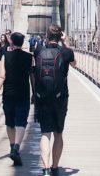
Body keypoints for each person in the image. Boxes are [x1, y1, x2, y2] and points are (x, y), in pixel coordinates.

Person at [31, 24, 75, 176]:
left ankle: (45, 169)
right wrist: (66, 43)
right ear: (61, 36)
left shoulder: (38, 51)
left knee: (45, 133)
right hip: (60, 98)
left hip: (42, 97)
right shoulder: (66, 53)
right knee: (58, 133)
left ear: (47, 36)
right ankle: (55, 168)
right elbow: (75, 64)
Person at [0, 31, 32, 167]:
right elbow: (32, 77)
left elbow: (1, 76)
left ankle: (12, 145)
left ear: (12, 42)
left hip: (8, 94)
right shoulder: (29, 57)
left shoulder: (5, 56)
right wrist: (35, 93)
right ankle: (16, 148)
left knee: (10, 122)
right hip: (23, 94)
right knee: (21, 122)